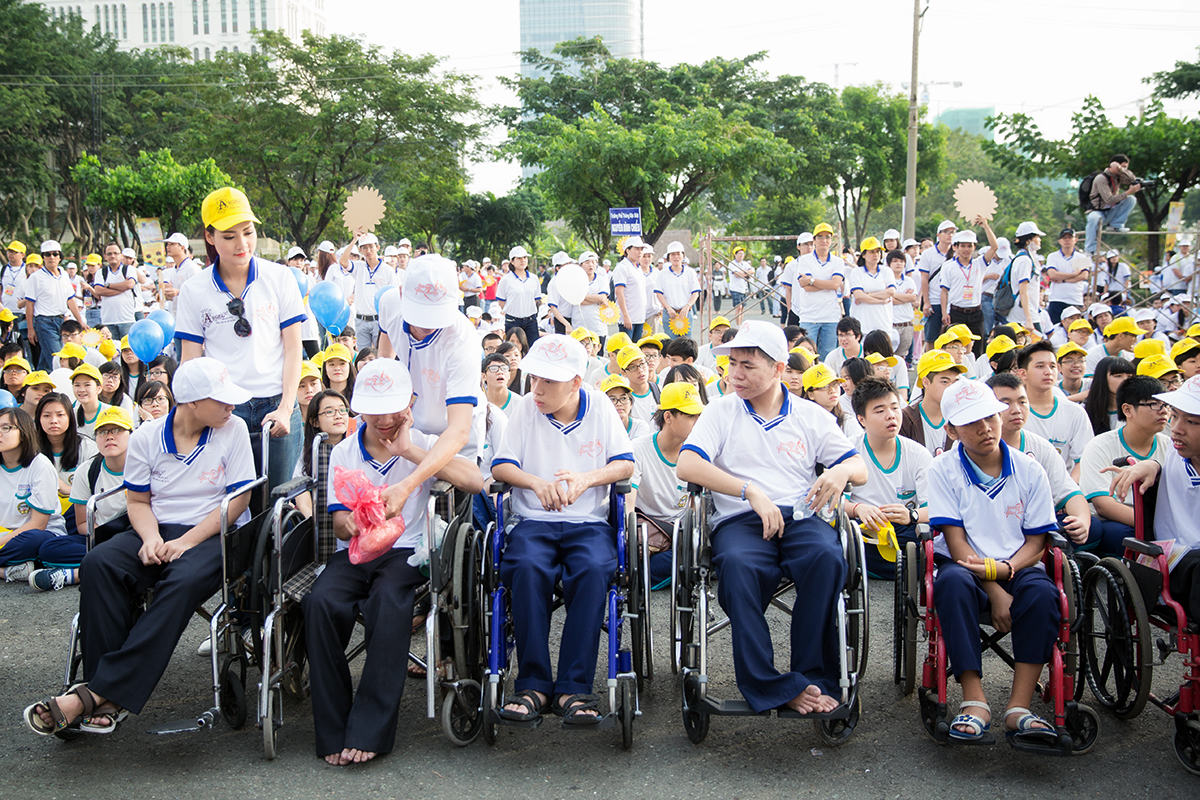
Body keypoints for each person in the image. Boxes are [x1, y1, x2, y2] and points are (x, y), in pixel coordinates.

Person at [23, 357, 255, 737]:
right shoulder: (148, 435)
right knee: (99, 563)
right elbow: (137, 502)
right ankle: (107, 695)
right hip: (155, 526)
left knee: (178, 583)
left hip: (214, 533)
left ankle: (95, 693)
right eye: (223, 399)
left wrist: (185, 542)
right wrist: (151, 539)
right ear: (193, 402)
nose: (231, 406)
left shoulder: (234, 429)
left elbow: (239, 502)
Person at [676, 321, 867, 714]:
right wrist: (750, 490)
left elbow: (858, 468)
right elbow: (688, 464)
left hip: (801, 515)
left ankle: (814, 677)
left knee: (828, 559)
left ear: (779, 368)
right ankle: (768, 684)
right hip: (741, 519)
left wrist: (839, 471)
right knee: (738, 567)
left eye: (748, 365)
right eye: (732, 364)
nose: (735, 375)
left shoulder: (811, 415)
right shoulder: (722, 411)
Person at [303, 359, 481, 765]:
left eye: (393, 409)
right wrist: (352, 520)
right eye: (373, 410)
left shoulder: (422, 440)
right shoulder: (346, 450)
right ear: (358, 408)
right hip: (357, 550)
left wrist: (409, 451)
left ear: (409, 404)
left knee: (389, 602)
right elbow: (339, 525)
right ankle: (332, 729)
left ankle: (371, 729)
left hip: (408, 549)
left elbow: (475, 482)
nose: (384, 419)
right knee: (320, 603)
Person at [490, 335, 635, 725]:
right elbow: (501, 467)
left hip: (587, 522)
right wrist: (536, 483)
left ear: (575, 382)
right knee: (524, 567)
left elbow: (624, 466)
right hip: (534, 521)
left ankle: (574, 687)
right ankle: (533, 683)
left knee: (593, 571)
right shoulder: (524, 409)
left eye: (548, 382)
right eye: (534, 379)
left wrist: (588, 479)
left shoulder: (601, 406)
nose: (536, 389)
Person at [926, 380, 1062, 744]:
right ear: (951, 430)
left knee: (1043, 595)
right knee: (950, 584)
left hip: (1018, 564)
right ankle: (974, 700)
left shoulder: (1030, 469)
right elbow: (956, 543)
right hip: (966, 566)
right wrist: (994, 588)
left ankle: (1019, 706)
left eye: (990, 417)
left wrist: (1007, 572)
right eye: (972, 422)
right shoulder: (942, 469)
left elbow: (1038, 542)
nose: (986, 428)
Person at [176, 187, 305, 495]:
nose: (242, 244)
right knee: (231, 503)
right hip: (222, 409)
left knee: (276, 503)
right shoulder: (194, 290)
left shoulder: (279, 278)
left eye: (247, 232)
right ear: (210, 237)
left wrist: (287, 407)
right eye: (229, 236)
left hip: (276, 405)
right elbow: (190, 360)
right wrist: (192, 412)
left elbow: (293, 347)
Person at [375, 255, 486, 516]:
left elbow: (459, 430)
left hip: (451, 433)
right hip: (410, 425)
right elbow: (385, 352)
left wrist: (407, 485)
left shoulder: (462, 341)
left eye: (435, 317)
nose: (426, 325)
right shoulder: (390, 303)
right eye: (420, 315)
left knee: (444, 512)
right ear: (402, 294)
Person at [1101, 375, 1200, 636]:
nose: (1177, 428)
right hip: (1173, 558)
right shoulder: (1176, 453)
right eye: (1176, 417)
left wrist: (1153, 465)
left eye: (1191, 421)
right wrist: (1153, 465)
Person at [986, 373, 1091, 548]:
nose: (1016, 409)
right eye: (1005, 403)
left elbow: (1069, 492)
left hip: (1033, 530)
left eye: (1022, 402)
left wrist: (1082, 520)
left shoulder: (1040, 447)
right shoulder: (973, 448)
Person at [846, 376, 931, 580]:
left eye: (894, 407)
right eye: (880, 410)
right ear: (861, 419)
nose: (891, 416)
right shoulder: (848, 451)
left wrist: (912, 515)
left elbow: (936, 507)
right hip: (865, 530)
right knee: (845, 536)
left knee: (927, 537)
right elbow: (834, 503)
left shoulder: (918, 455)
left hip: (905, 529)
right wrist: (858, 509)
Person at [1077, 375, 1171, 556]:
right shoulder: (1100, 446)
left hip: (1157, 518)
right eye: (1154, 404)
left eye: (1166, 405)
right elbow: (1104, 505)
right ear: (1128, 410)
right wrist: (1152, 523)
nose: (1163, 411)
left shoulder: (1170, 447)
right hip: (1114, 520)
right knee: (1126, 536)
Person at [45, 407, 135, 592]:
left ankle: (77, 574)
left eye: (117, 430)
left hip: (137, 535)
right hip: (102, 535)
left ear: (131, 435)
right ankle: (108, 563)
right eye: (102, 432)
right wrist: (104, 537)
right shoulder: (87, 470)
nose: (109, 436)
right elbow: (81, 524)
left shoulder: (144, 467)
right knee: (49, 548)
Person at [630, 382, 704, 587]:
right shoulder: (639, 449)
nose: (697, 421)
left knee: (689, 557)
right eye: (690, 416)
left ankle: (636, 576)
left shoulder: (697, 452)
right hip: (645, 531)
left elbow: (694, 506)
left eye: (699, 415)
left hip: (678, 534)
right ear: (668, 417)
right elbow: (628, 503)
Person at [0, 406, 72, 586]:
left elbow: (38, 524)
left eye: (6, 428)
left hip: (38, 534)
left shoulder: (40, 466)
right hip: (4, 534)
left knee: (34, 540)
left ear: (24, 432)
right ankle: (8, 570)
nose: (0, 433)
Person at [1017, 340, 1093, 481]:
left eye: (1052, 366)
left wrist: (1067, 492)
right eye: (1040, 366)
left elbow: (1084, 461)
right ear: (1023, 373)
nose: (1048, 372)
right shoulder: (1013, 414)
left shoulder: (1075, 413)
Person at [24, 240, 85, 372]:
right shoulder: (35, 277)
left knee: (47, 360)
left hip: (61, 320)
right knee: (58, 357)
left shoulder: (64, 275)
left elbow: (70, 300)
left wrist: (80, 321)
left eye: (55, 254)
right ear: (43, 257)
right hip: (44, 321)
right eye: (47, 254)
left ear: (60, 257)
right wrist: (30, 328)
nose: (51, 257)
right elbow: (29, 304)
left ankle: (37, 383)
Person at [790, 224, 845, 359]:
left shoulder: (838, 261)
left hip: (830, 316)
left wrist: (813, 280)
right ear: (814, 240)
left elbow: (836, 284)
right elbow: (806, 287)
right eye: (820, 237)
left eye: (827, 237)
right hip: (809, 316)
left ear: (831, 240)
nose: (823, 240)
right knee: (806, 356)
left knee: (828, 355)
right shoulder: (805, 260)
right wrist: (829, 284)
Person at [939, 225, 996, 356]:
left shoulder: (979, 263)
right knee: (956, 348)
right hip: (957, 312)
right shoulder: (948, 266)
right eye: (963, 246)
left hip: (976, 312)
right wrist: (944, 312)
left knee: (977, 349)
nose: (966, 249)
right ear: (956, 247)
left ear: (974, 247)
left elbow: (994, 247)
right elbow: (944, 291)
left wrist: (986, 226)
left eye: (969, 246)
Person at [900, 350, 967, 458]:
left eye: (955, 382)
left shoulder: (961, 418)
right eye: (944, 382)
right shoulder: (905, 420)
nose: (951, 388)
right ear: (925, 382)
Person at [294, 389, 349, 518]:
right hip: (319, 520)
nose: (338, 416)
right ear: (315, 421)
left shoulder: (356, 446)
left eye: (342, 410)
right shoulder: (305, 452)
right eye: (329, 412)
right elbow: (302, 499)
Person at [1085, 155, 1142, 254]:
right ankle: (1090, 249)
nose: (1123, 169)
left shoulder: (1118, 177)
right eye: (1122, 166)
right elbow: (1109, 200)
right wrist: (1128, 192)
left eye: (1126, 167)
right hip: (1098, 211)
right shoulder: (1101, 178)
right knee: (1093, 219)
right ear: (1113, 165)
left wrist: (1122, 170)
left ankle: (1116, 225)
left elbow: (1132, 180)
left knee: (1131, 200)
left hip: (1111, 211)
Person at [847, 237, 895, 339]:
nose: (876, 254)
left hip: (883, 323)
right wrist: (881, 300)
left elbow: (891, 291)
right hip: (863, 324)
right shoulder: (857, 272)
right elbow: (858, 295)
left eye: (878, 251)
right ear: (863, 255)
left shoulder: (886, 271)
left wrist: (868, 295)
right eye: (872, 252)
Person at [919, 220, 957, 348]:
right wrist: (926, 302)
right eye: (946, 232)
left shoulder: (957, 254)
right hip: (934, 300)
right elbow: (924, 279)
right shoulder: (928, 254)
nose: (950, 235)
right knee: (931, 338)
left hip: (953, 301)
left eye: (952, 232)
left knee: (951, 339)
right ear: (938, 235)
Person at [1044, 229, 1091, 326]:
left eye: (1070, 237)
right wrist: (1074, 274)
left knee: (1076, 329)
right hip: (1057, 299)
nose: (1067, 240)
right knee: (1055, 328)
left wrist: (1063, 279)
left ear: (1075, 240)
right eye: (1064, 238)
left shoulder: (1082, 257)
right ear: (1060, 241)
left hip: (1075, 299)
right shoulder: (1052, 256)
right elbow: (1052, 274)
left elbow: (1084, 276)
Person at [801, 363, 861, 439]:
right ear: (811, 395)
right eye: (824, 387)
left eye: (835, 384)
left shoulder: (847, 420)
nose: (832, 390)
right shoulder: (802, 422)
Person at [496, 246, 540, 345]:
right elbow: (501, 302)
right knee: (513, 348)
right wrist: (514, 309)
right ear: (512, 261)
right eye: (519, 258)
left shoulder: (534, 278)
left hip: (530, 320)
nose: (523, 261)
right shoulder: (506, 280)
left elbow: (535, 299)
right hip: (513, 321)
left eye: (525, 258)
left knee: (533, 347)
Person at [93, 242, 137, 341]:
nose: (112, 256)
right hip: (108, 320)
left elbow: (130, 284)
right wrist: (121, 288)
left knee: (128, 350)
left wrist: (109, 286)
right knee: (111, 351)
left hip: (127, 319)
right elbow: (98, 290)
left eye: (115, 253)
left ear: (121, 255)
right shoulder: (101, 272)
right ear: (105, 256)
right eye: (109, 254)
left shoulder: (129, 269)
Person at [1006, 222, 1046, 333]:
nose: (1039, 240)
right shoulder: (1025, 260)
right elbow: (1023, 291)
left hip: (1027, 312)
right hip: (1024, 314)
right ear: (1028, 241)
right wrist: (1029, 319)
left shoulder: (1025, 258)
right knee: (1038, 346)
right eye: (1037, 237)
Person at [655, 241, 700, 338]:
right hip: (670, 314)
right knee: (671, 344)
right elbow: (659, 293)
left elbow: (695, 293)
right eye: (673, 254)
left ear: (683, 256)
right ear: (668, 257)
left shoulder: (690, 272)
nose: (676, 257)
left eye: (678, 254)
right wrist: (668, 308)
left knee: (686, 344)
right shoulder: (663, 274)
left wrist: (687, 306)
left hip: (686, 313)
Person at [1083, 356, 1135, 435]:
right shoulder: (1084, 410)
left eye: (1129, 376)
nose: (1126, 380)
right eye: (1118, 376)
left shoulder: (1136, 410)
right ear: (1102, 379)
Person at [611, 237, 648, 340]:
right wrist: (625, 316)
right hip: (628, 319)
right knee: (627, 349)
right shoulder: (622, 267)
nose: (640, 252)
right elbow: (619, 292)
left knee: (636, 349)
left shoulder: (637, 267)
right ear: (627, 250)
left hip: (639, 317)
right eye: (636, 249)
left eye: (641, 249)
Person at [889, 249, 919, 364]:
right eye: (895, 261)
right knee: (889, 357)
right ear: (889, 264)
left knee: (902, 357)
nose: (898, 264)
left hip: (906, 324)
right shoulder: (886, 280)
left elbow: (912, 298)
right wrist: (904, 296)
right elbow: (887, 299)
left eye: (901, 261)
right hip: (891, 324)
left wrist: (894, 295)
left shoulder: (909, 280)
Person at [600, 374, 651, 440]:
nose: (619, 404)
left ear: (631, 403)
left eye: (623, 398)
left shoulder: (640, 427)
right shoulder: (599, 429)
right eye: (613, 399)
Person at [320, 343, 356, 408]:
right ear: (325, 369)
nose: (337, 368)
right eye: (332, 364)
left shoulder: (358, 394)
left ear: (350, 367)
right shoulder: (319, 398)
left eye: (342, 364)